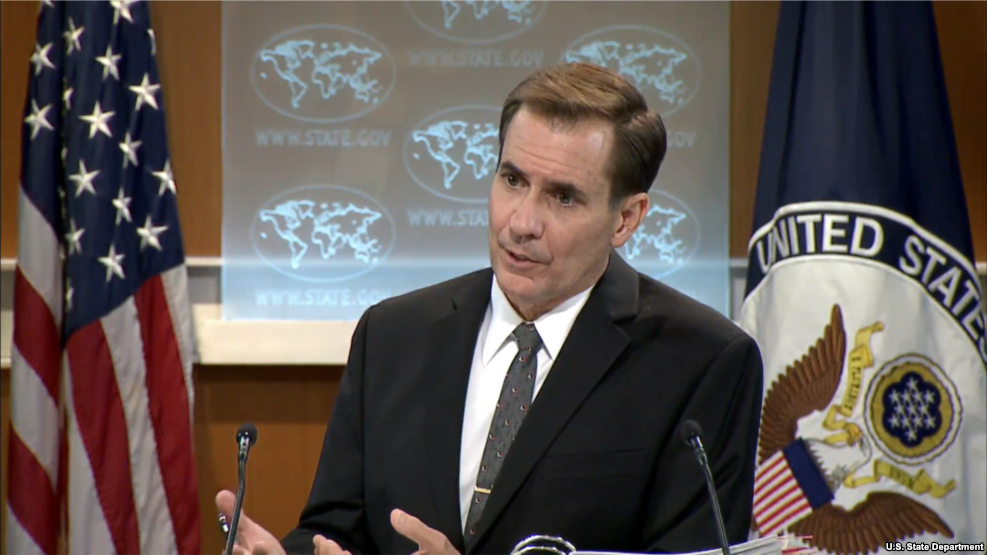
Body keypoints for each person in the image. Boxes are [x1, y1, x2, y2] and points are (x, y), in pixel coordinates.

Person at [216, 62, 764, 555]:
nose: (521, 222)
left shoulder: (703, 362)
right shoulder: (392, 335)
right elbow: (335, 530)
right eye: (513, 180)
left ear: (626, 218)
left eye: (563, 197)